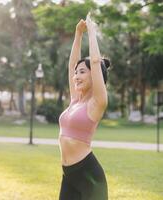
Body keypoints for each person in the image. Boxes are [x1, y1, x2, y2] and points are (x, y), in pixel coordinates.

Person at [58, 12, 111, 200]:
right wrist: (78, 34)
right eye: (76, 73)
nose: (76, 76)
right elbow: (72, 64)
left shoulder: (97, 103)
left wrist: (91, 31)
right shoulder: (76, 99)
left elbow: (95, 63)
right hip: (69, 174)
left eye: (82, 72)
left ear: (93, 76)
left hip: (89, 177)